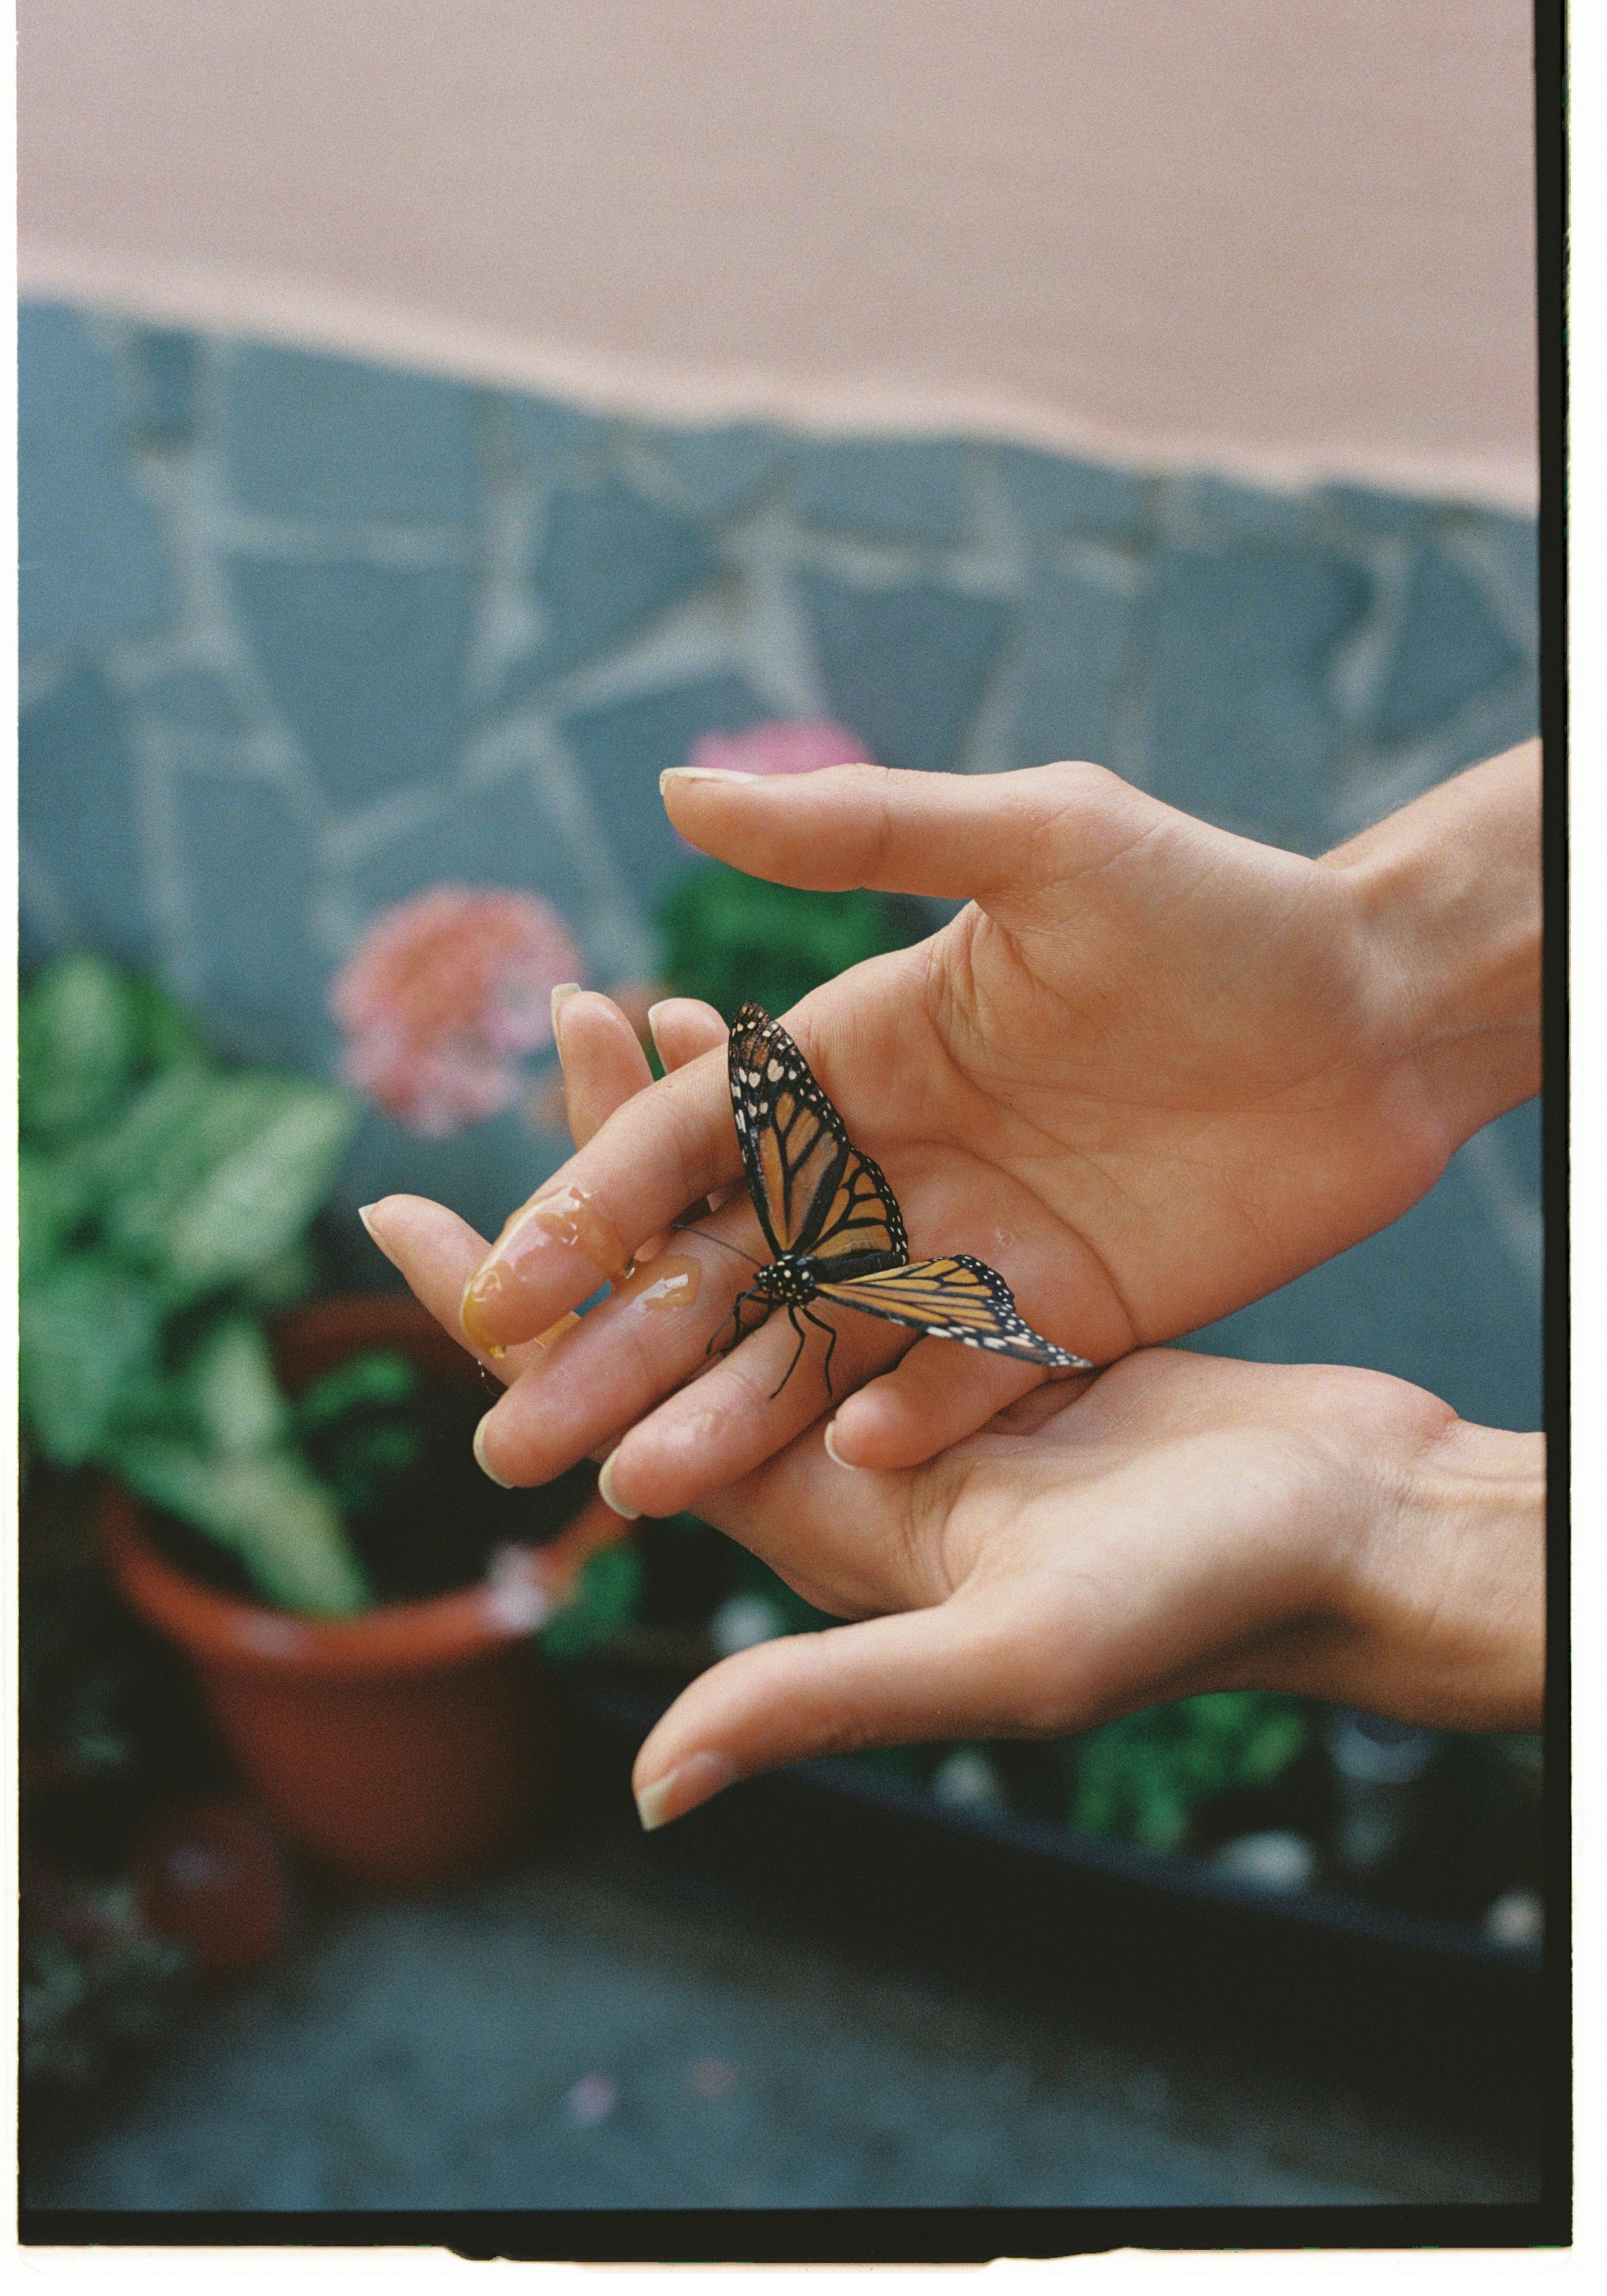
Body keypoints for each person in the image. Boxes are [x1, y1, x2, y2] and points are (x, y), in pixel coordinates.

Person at [361, 741, 1544, 1830]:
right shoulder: (826, 1246)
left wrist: (1415, 1527)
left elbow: (801, 1253)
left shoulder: (809, 1254)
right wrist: (1382, 966)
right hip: (892, 1263)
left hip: (899, 1273)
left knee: (825, 1310)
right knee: (831, 1299)